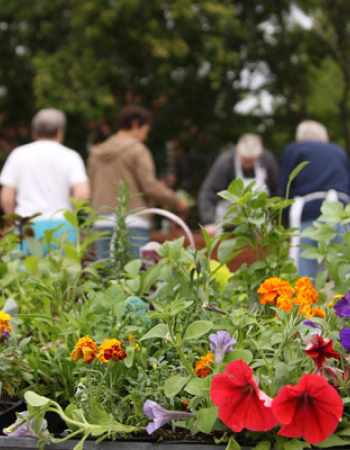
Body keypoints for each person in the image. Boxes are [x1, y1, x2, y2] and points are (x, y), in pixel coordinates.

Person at [88, 105, 188, 259]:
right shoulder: (138, 150)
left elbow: (90, 189)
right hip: (133, 221)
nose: (145, 136)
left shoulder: (96, 153)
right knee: (134, 276)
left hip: (101, 221)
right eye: (145, 130)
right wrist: (177, 201)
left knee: (104, 277)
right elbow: (150, 187)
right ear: (135, 124)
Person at [0, 108, 89, 250]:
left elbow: (6, 197)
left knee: (27, 270)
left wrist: (12, 223)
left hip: (27, 224)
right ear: (60, 131)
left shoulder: (18, 154)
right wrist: (72, 215)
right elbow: (82, 194)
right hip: (62, 225)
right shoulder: (71, 156)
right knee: (63, 271)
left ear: (34, 131)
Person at [279, 120, 350, 278]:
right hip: (341, 213)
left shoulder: (295, 150)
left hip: (308, 212)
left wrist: (283, 221)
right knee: (344, 271)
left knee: (304, 274)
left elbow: (285, 187)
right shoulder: (338, 151)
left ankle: (304, 302)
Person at [198, 133, 278, 232]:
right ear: (238, 152)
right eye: (245, 160)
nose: (248, 164)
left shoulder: (267, 161)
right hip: (227, 216)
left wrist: (274, 218)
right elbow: (208, 192)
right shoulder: (225, 162)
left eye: (251, 161)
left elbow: (276, 191)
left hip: (259, 218)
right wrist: (208, 221)